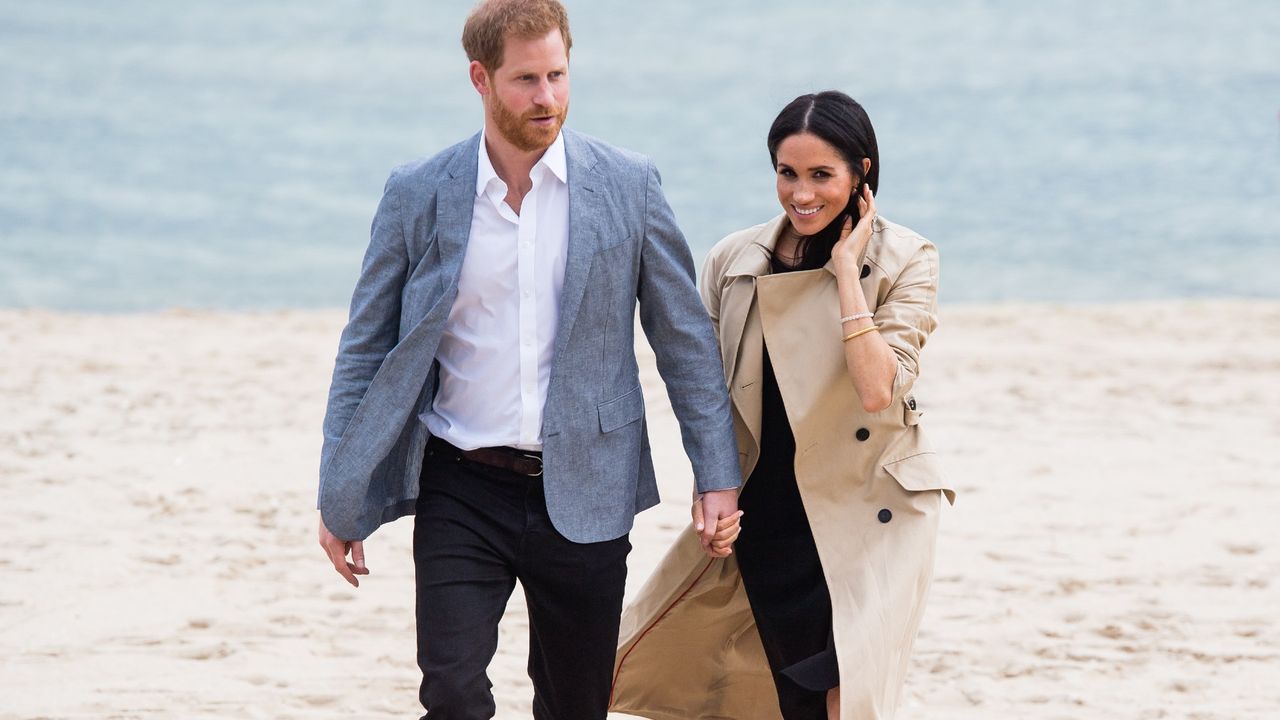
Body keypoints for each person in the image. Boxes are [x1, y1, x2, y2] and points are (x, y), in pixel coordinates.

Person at [314, 1, 742, 717]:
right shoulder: (418, 192)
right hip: (461, 481)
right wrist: (340, 487)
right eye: (526, 80)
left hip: (589, 486)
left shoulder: (629, 187)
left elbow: (685, 340)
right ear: (480, 79)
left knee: (575, 703)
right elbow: (364, 347)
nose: (547, 98)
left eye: (557, 75)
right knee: (450, 691)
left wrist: (717, 476)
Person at [610, 91, 956, 720]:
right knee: (793, 697)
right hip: (771, 509)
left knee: (852, 693)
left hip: (870, 509)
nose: (802, 194)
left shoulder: (908, 259)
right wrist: (710, 484)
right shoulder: (733, 260)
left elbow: (880, 388)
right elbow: (706, 394)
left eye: (822, 175)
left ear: (862, 173)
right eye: (787, 173)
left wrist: (847, 274)